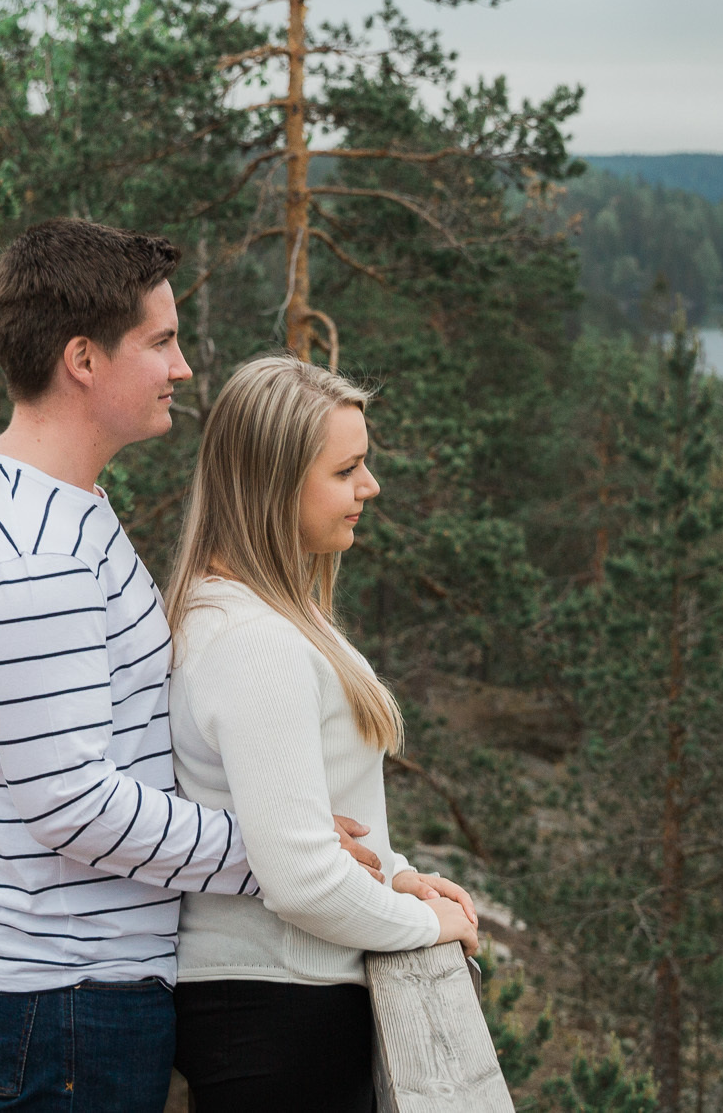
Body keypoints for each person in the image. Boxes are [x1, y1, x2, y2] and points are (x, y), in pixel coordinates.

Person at [0, 220, 408, 1112]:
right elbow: (71, 801)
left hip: (82, 975)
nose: (183, 368)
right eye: (161, 342)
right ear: (83, 359)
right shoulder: (36, 556)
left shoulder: (59, 506)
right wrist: (269, 851)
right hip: (71, 981)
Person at [163, 355, 480, 1113]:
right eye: (346, 470)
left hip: (276, 1006)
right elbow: (301, 877)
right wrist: (424, 922)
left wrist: (392, 874)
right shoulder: (254, 641)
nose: (370, 487)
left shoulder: (249, 615)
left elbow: (315, 814)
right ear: (273, 485)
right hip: (278, 1011)